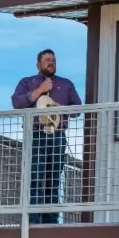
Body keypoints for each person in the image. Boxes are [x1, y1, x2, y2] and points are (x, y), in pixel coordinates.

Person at [11, 49, 82, 224]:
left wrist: (60, 107)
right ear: (38, 64)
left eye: (53, 60)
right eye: (47, 60)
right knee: (35, 176)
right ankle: (33, 219)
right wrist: (40, 90)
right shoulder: (28, 82)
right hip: (36, 134)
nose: (51, 62)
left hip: (57, 135)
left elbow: (78, 109)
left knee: (54, 178)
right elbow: (17, 103)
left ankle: (50, 220)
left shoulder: (65, 84)